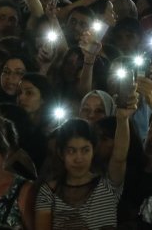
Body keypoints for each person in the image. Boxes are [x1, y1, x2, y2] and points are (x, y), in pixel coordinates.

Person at [34, 88, 136, 229]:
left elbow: (119, 157)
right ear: (60, 153)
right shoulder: (48, 192)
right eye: (71, 151)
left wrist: (123, 118)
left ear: (93, 151)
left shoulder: (108, 185)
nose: (79, 158)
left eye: (85, 150)